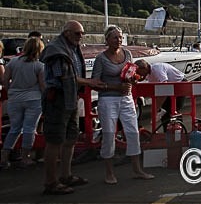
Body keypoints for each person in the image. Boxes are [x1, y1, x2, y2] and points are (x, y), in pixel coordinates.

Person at [39, 20, 105, 195]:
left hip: (70, 98)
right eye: (77, 33)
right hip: (58, 99)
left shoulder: (71, 48)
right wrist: (90, 82)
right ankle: (50, 182)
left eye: (82, 33)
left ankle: (66, 175)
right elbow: (65, 77)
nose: (80, 36)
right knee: (54, 140)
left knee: (70, 138)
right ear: (66, 33)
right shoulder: (57, 51)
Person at [92, 25, 154, 185]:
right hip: (108, 99)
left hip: (126, 98)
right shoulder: (101, 59)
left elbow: (130, 74)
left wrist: (133, 80)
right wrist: (114, 87)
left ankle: (137, 169)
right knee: (109, 134)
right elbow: (94, 83)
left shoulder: (127, 54)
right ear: (107, 40)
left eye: (120, 37)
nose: (118, 40)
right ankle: (109, 173)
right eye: (115, 37)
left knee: (133, 132)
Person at [1, 37, 45, 169]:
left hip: (15, 98)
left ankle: (4, 157)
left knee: (14, 128)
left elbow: (5, 81)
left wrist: (11, 92)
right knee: (29, 128)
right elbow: (43, 86)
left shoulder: (13, 62)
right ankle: (25, 157)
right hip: (34, 99)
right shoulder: (39, 66)